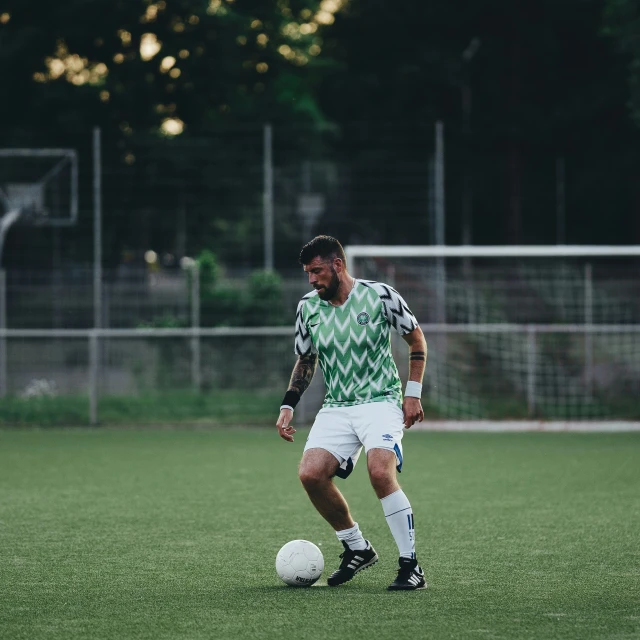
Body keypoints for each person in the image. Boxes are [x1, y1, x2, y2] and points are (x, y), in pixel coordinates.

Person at [276, 235, 428, 591]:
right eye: (307, 274)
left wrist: (413, 394)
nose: (312, 280)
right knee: (311, 474)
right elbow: (306, 359)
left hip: (380, 400)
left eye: (317, 271)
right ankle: (357, 546)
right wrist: (288, 404)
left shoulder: (380, 295)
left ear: (337, 265)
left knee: (379, 472)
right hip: (338, 405)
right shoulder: (307, 307)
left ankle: (411, 566)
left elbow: (416, 340)